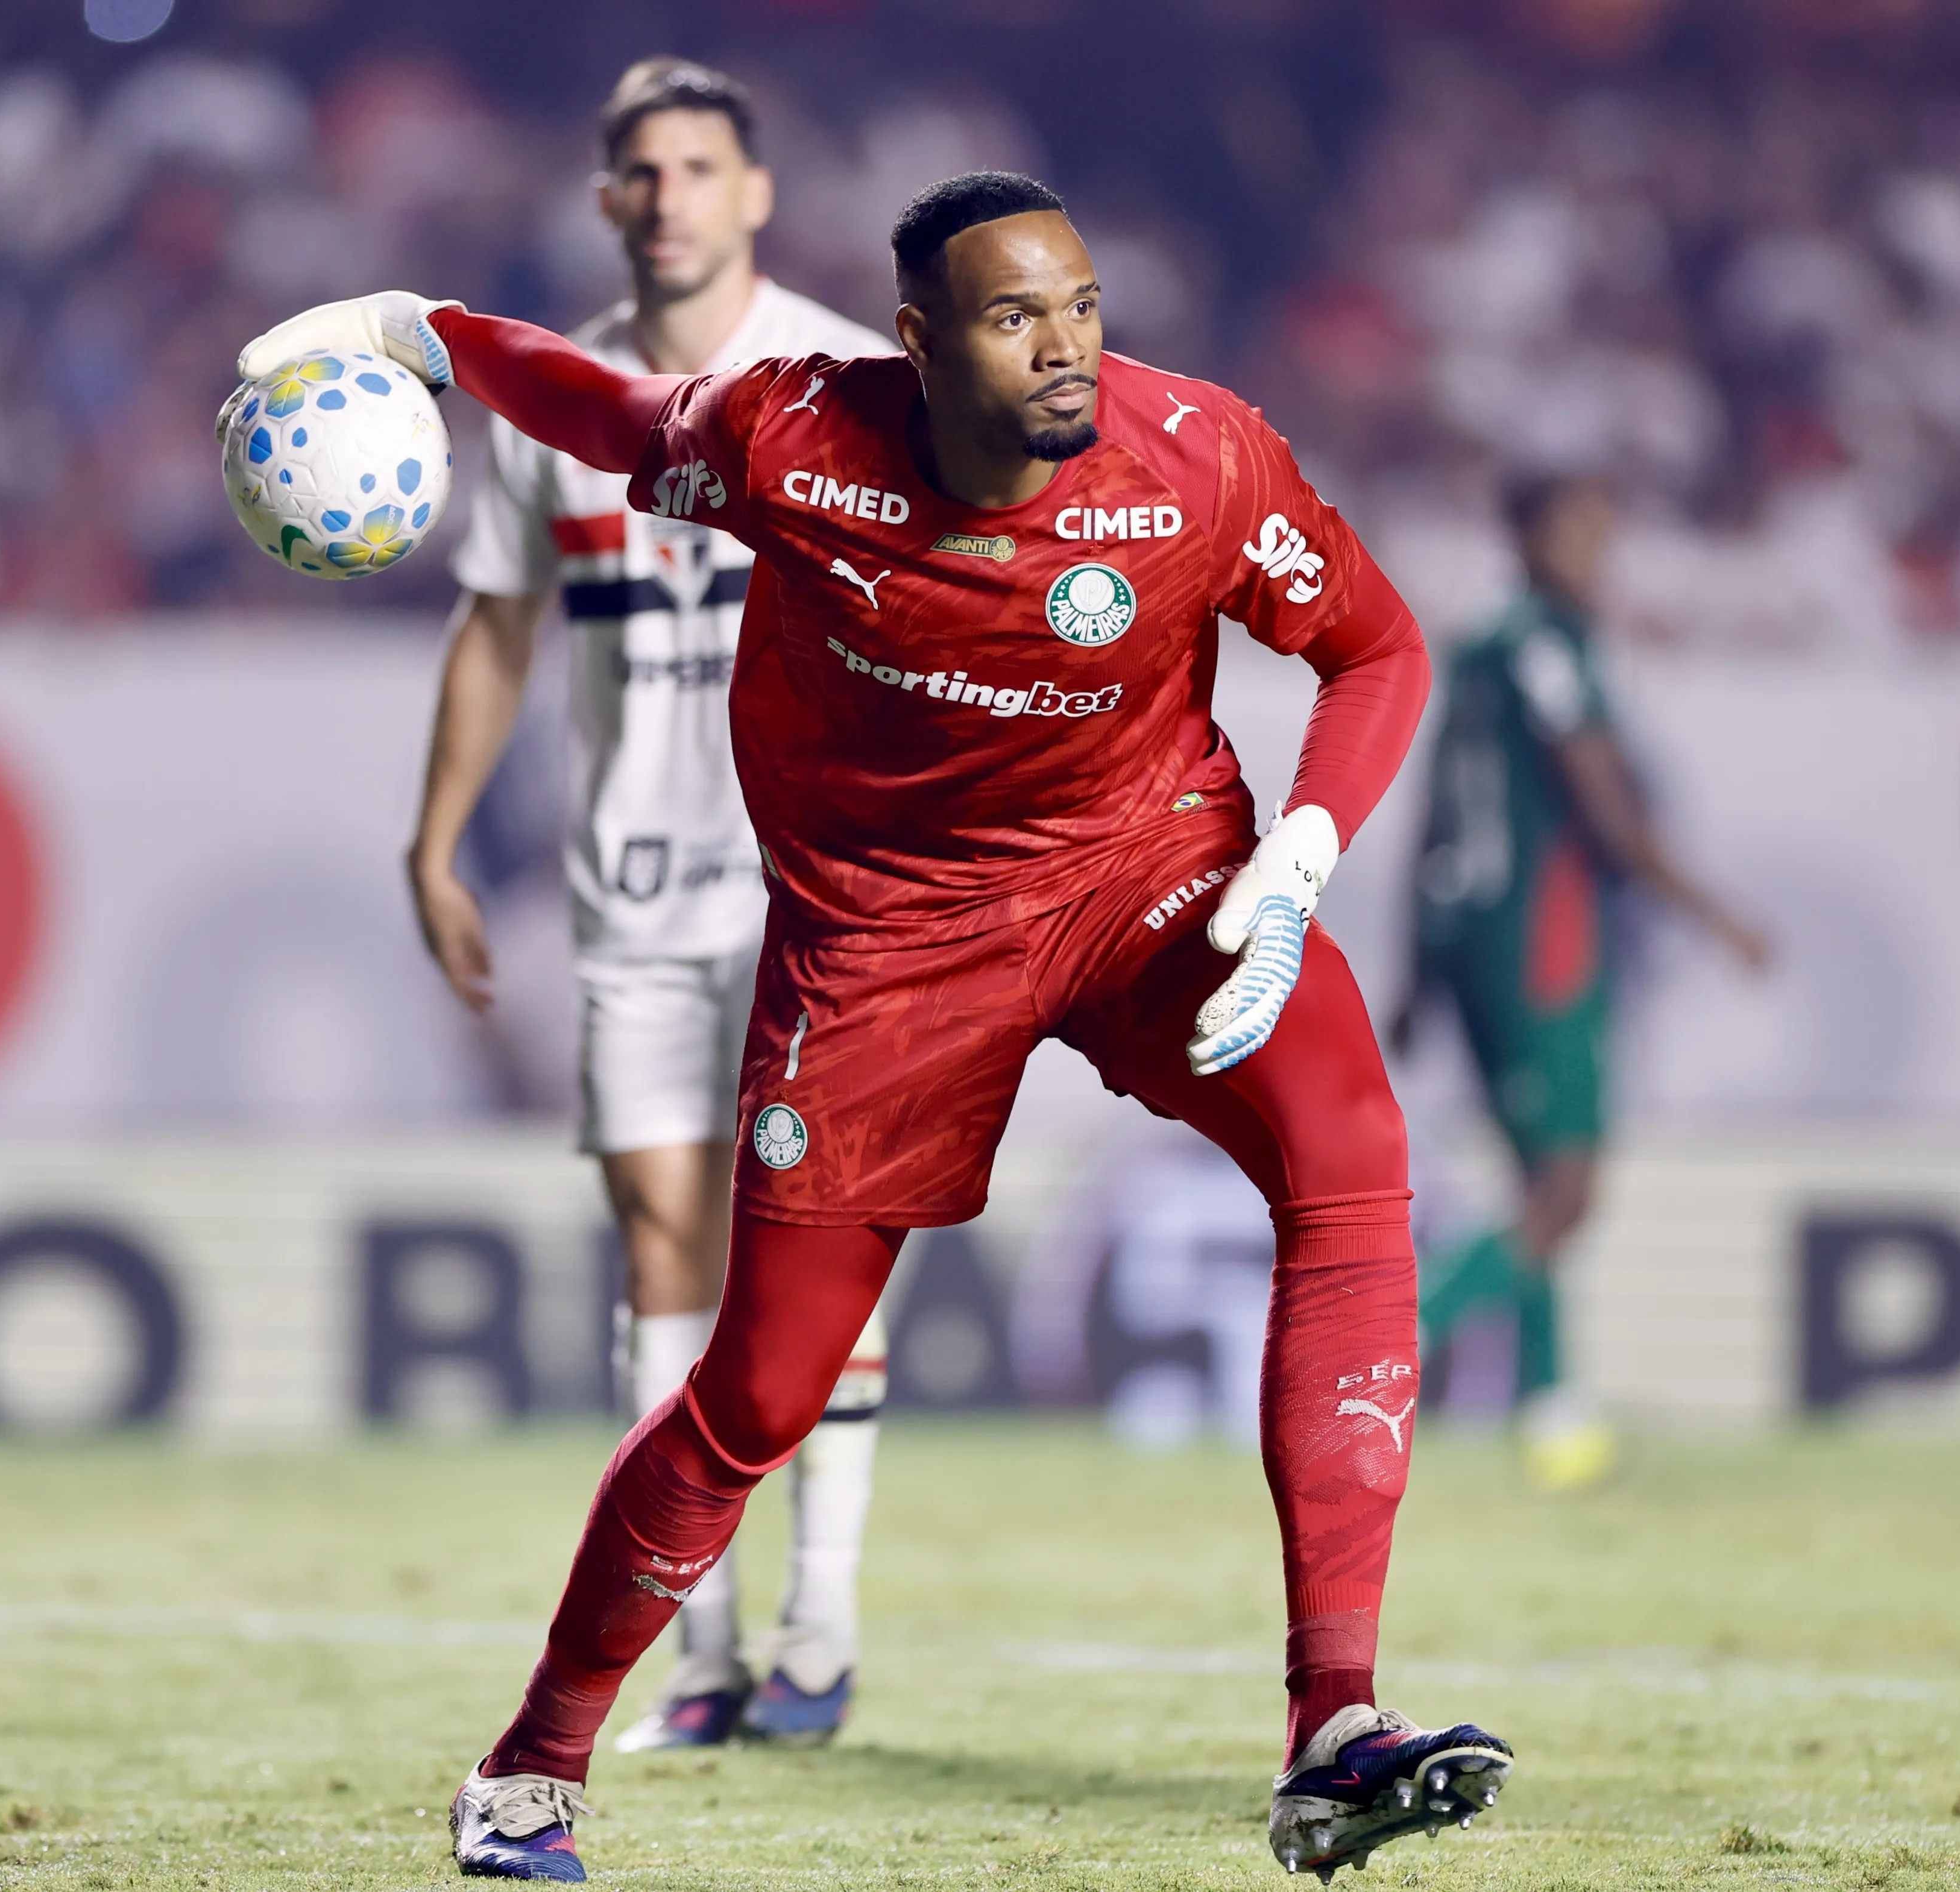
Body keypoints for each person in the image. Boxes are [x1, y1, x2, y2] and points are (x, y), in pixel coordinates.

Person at [238, 169, 1510, 1884]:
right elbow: (609, 417)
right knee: (757, 1396)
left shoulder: (1199, 455)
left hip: (1149, 879)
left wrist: (1297, 852)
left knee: (1351, 1155)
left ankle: (1334, 1725)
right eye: (1011, 317)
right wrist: (423, 338)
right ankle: (531, 1768)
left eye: (1079, 305)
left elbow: (1375, 649)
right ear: (916, 343)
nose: (1065, 348)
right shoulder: (798, 446)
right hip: (888, 954)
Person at [404, 60, 893, 1755]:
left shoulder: (847, 376)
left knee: (824, 1256)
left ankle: (819, 1633)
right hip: (628, 889)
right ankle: (704, 1650)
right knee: (665, 1249)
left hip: (822, 895)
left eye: (700, 166)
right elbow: (496, 625)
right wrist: (437, 838)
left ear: (753, 191)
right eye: (641, 171)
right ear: (610, 201)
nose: (670, 194)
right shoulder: (557, 406)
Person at [1408, 473, 1771, 1490]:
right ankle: (1377, 1349)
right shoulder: (1548, 647)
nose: (1593, 552)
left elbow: (1438, 807)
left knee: (1534, 1190)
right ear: (1524, 534)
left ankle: (1555, 1413)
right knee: (1567, 1194)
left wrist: (1416, 968)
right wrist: (1714, 914)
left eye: (1601, 533)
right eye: (1574, 531)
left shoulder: (1478, 651)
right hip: (1544, 944)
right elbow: (1605, 807)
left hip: (1471, 942)